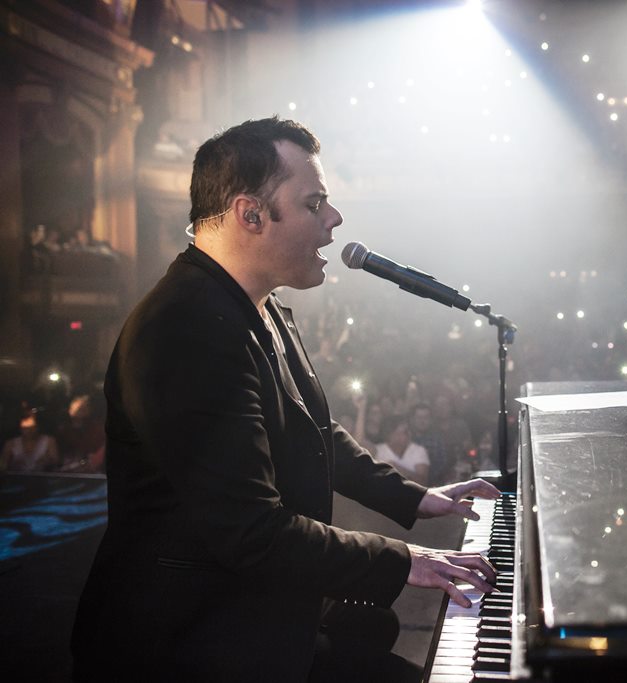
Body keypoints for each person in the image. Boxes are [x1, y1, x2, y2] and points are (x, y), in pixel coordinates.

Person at [71, 117, 499, 682]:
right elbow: (251, 532)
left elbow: (314, 432)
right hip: (191, 642)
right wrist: (407, 560)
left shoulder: (258, 305)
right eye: (314, 202)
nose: (335, 219)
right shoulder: (187, 330)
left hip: (256, 612)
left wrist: (418, 498)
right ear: (251, 214)